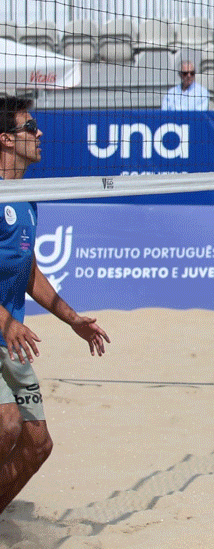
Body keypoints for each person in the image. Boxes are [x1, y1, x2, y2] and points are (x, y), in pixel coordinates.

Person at [0, 97, 110, 516]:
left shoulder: (28, 196)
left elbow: (28, 271)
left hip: (10, 340)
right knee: (8, 425)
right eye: (31, 127)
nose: (40, 133)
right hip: (3, 330)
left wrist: (71, 319)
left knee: (37, 445)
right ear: (6, 139)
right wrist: (8, 321)